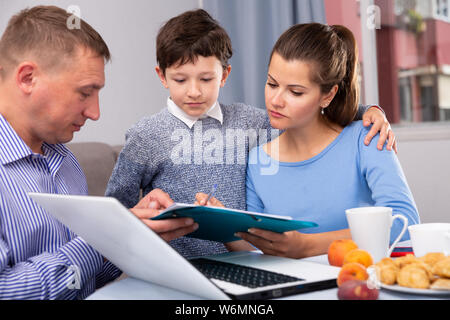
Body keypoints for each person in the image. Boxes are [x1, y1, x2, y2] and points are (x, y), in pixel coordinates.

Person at [105, 9, 396, 259]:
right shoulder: (145, 136)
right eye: (180, 80)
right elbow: (117, 210)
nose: (194, 91)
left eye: (206, 79)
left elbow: (307, 112)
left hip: (243, 262)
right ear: (162, 76)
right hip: (173, 265)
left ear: (225, 74)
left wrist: (369, 111)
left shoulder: (251, 122)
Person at [0, 5, 196, 300]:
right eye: (84, 92)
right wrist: (105, 238)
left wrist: (133, 232)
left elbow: (86, 278)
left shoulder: (64, 161)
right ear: (28, 78)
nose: (95, 112)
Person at [229, 23, 420, 259]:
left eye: (295, 92)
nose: (275, 100)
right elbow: (258, 248)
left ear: (328, 95)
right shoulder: (258, 161)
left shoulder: (367, 138)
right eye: (272, 84)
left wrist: (309, 245)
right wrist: (224, 229)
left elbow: (406, 222)